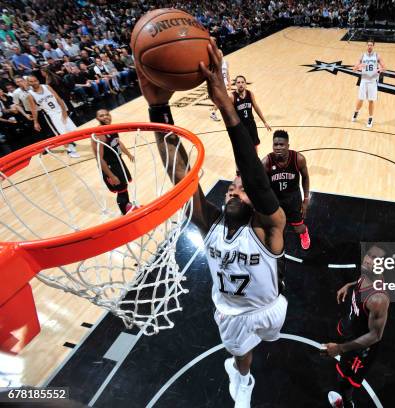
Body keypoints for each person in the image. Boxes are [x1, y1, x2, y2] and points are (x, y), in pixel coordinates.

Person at [136, 40, 287, 408]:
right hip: (230, 310)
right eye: (232, 186)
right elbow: (182, 175)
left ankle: (243, 367)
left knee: (267, 340)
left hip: (268, 307)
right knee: (241, 356)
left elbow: (256, 179)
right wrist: (158, 109)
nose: (235, 189)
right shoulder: (211, 222)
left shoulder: (269, 228)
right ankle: (244, 380)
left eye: (243, 188)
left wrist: (227, 109)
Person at [322, 244, 390, 408]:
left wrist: (340, 348)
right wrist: (349, 285)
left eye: (375, 259)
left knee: (346, 381)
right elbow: (361, 280)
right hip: (353, 327)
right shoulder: (367, 274)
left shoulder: (378, 299)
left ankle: (346, 404)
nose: (368, 260)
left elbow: (375, 335)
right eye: (369, 255)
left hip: (361, 347)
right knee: (342, 374)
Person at [262, 130, 311, 250]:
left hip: (293, 198)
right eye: (275, 144)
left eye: (281, 144)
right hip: (275, 199)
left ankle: (304, 233)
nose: (278, 147)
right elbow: (261, 185)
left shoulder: (298, 159)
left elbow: (305, 177)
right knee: (275, 227)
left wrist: (305, 200)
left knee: (299, 228)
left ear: (288, 146)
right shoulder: (266, 162)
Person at [91, 109, 135, 214]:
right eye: (102, 116)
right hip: (109, 166)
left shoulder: (111, 128)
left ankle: (127, 207)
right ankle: (125, 214)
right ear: (97, 119)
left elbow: (117, 142)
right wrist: (111, 175)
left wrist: (128, 154)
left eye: (107, 114)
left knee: (124, 187)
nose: (105, 117)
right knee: (121, 190)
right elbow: (99, 158)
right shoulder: (100, 134)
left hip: (118, 161)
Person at [26, 75, 80, 158]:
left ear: (38, 80)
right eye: (31, 81)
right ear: (28, 83)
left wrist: (64, 110)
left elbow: (58, 98)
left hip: (60, 111)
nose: (34, 83)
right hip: (51, 116)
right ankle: (70, 150)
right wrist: (35, 122)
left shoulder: (47, 87)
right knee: (61, 134)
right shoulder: (30, 94)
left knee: (72, 131)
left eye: (35, 80)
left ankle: (70, 143)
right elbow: (34, 110)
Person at [351, 40, 385, 128]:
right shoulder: (362, 56)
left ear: (373, 46)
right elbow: (354, 69)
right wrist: (359, 66)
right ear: (366, 46)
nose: (369, 46)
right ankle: (356, 112)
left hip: (373, 81)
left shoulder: (377, 56)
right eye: (368, 45)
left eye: (371, 45)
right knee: (360, 99)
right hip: (364, 80)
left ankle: (370, 118)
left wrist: (379, 70)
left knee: (371, 100)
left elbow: (384, 67)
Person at [232, 75, 271, 149]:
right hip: (240, 126)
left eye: (243, 82)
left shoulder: (250, 94)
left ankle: (255, 160)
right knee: (243, 147)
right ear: (236, 84)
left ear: (245, 84)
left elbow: (256, 108)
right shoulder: (232, 96)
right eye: (238, 82)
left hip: (251, 124)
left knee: (255, 145)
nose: (241, 84)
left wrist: (264, 122)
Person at [210, 48, 231, 122]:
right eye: (219, 54)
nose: (220, 55)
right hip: (219, 85)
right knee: (222, 100)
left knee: (225, 100)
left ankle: (214, 112)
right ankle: (213, 113)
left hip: (225, 84)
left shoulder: (226, 62)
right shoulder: (215, 64)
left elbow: (227, 73)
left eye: (221, 53)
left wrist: (229, 83)